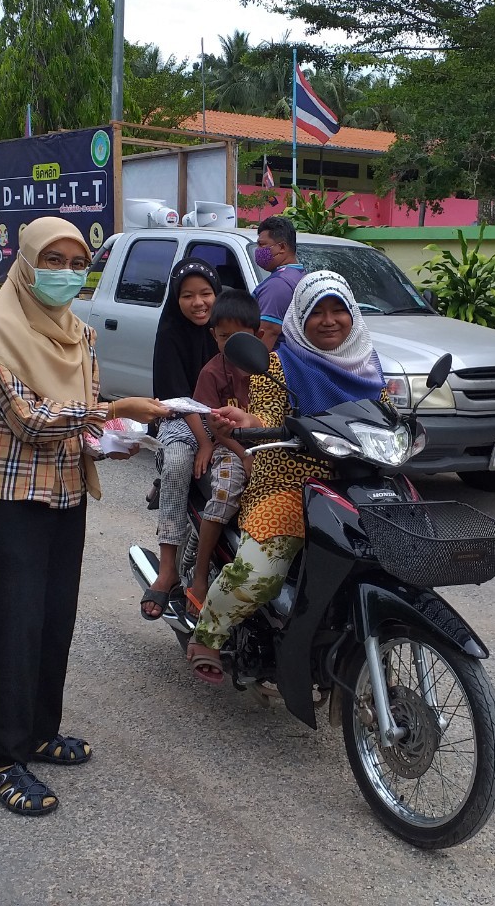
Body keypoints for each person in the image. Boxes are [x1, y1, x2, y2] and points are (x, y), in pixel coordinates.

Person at [0, 216, 167, 816]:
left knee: (56, 618)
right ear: (26, 262)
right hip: (7, 499)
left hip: (65, 494)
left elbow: (77, 423)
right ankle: (3, 761)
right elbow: (31, 419)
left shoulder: (77, 332)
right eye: (52, 260)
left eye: (77, 262)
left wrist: (112, 435)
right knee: (17, 624)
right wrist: (114, 408)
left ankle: (39, 732)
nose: (66, 273)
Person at [187, 271, 388, 683]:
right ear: (300, 317)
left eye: (339, 310)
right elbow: (265, 415)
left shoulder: (368, 365)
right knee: (258, 575)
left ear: (353, 316)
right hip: (287, 479)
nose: (329, 321)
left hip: (356, 481)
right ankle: (207, 633)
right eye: (317, 312)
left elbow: (383, 418)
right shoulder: (278, 364)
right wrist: (248, 422)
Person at [140, 258, 222, 619]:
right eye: (187, 295)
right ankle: (168, 568)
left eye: (206, 293)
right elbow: (175, 396)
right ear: (176, 300)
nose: (198, 302)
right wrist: (203, 440)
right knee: (177, 463)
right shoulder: (170, 333)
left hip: (225, 417)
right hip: (178, 416)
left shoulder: (228, 330)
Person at [183, 289, 262, 613]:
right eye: (223, 337)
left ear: (256, 336)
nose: (231, 345)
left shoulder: (270, 368)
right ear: (213, 335)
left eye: (239, 337)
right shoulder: (212, 373)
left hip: (269, 445)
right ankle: (200, 577)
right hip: (229, 448)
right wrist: (243, 454)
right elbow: (214, 427)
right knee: (227, 492)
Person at [252, 215, 304, 350]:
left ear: (281, 247)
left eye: (262, 245)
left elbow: (266, 335)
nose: (258, 250)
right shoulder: (298, 275)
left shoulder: (277, 285)